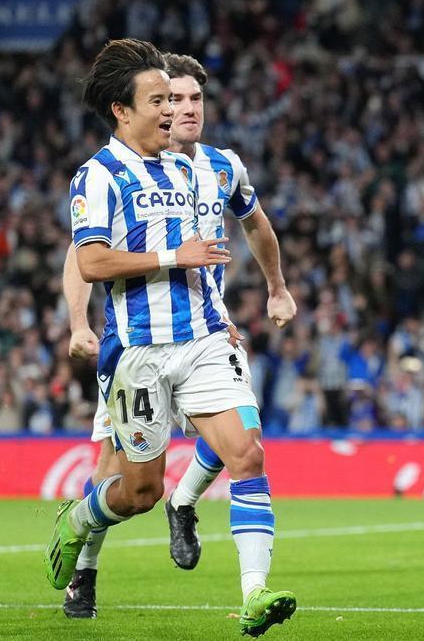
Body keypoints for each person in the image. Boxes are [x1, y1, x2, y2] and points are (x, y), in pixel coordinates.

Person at [44, 39, 295, 636]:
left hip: (206, 338)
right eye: (158, 101)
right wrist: (165, 261)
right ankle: (81, 523)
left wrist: (263, 289)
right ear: (121, 111)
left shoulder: (199, 165)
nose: (172, 112)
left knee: (248, 453)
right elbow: (91, 262)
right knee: (136, 490)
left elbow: (246, 223)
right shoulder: (97, 176)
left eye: (180, 99)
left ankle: (254, 595)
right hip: (137, 353)